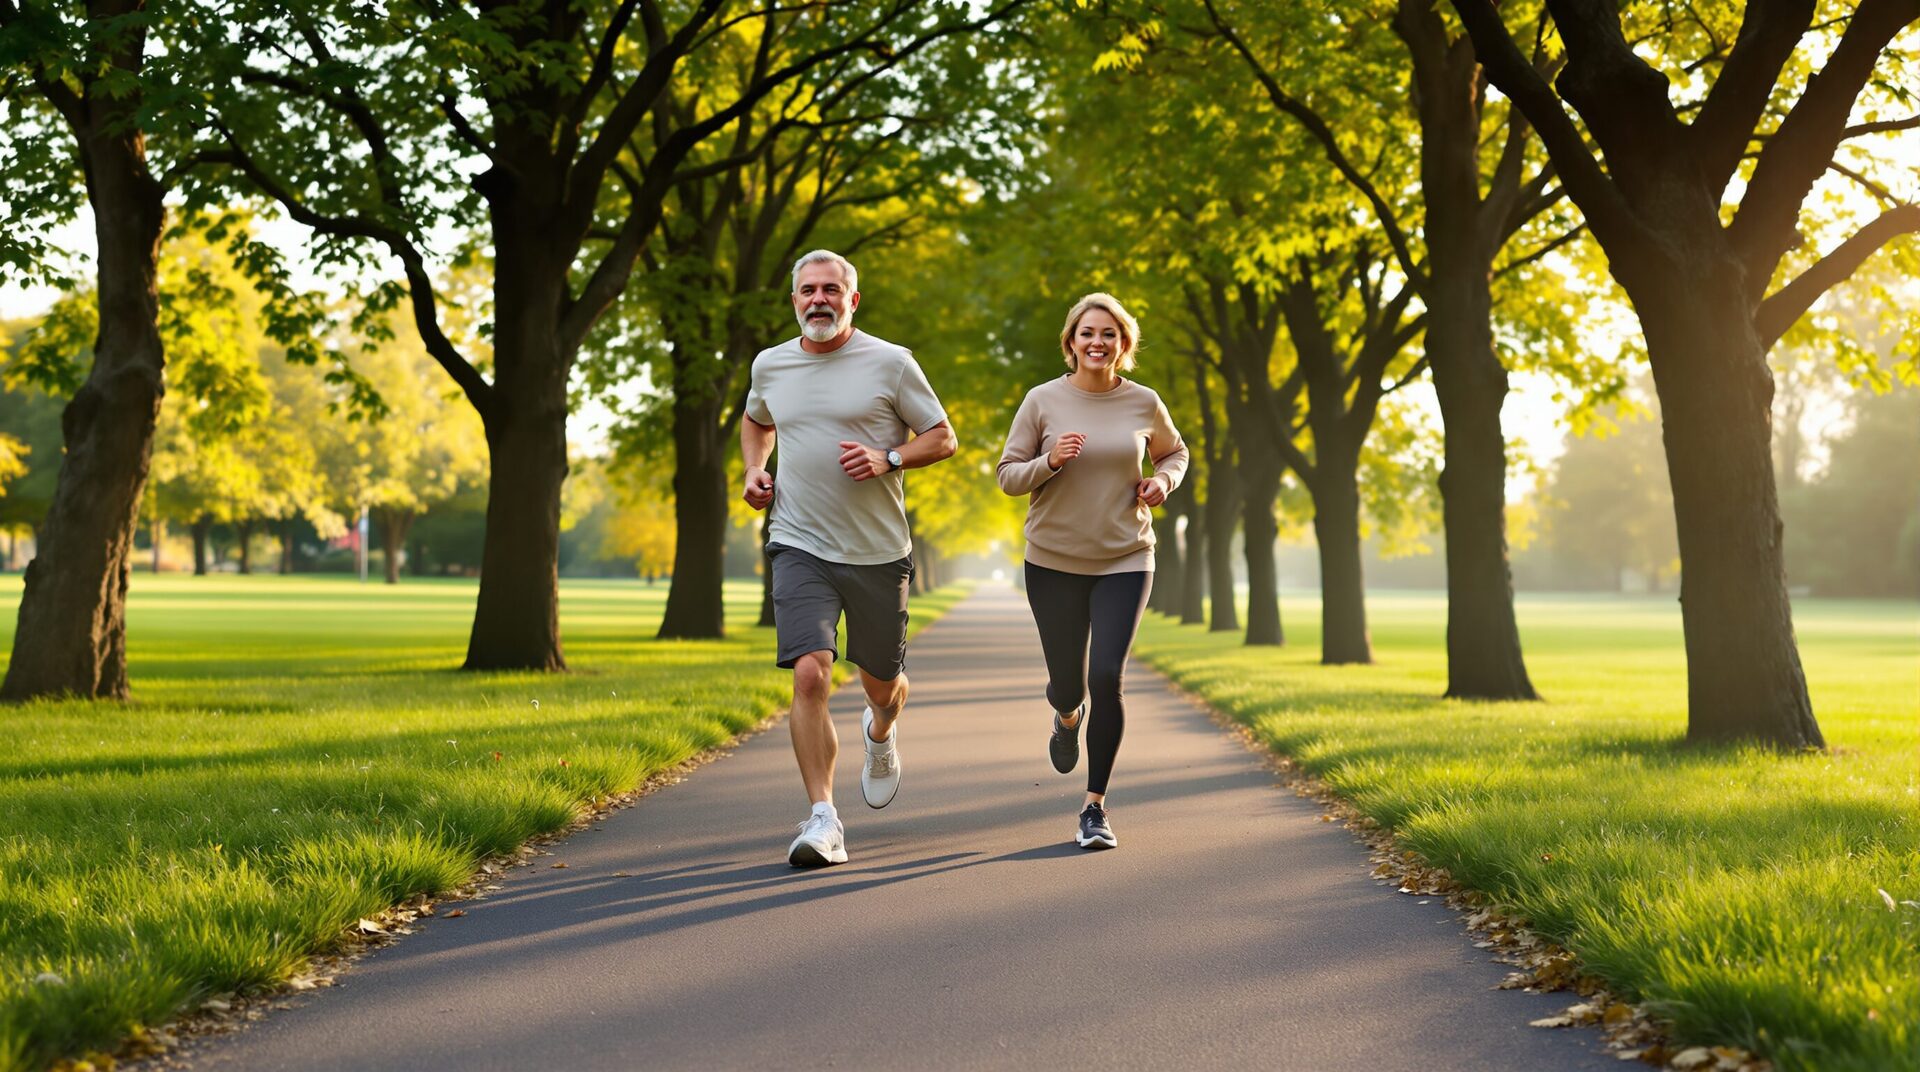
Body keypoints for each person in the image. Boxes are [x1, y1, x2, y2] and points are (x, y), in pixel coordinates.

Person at [742, 249, 958, 868]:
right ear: (794, 301)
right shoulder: (770, 364)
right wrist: (755, 469)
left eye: (831, 290)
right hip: (797, 540)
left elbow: (942, 436)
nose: (819, 300)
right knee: (809, 672)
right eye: (808, 290)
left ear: (852, 300)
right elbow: (756, 422)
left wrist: (889, 457)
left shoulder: (891, 363)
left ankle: (880, 731)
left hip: (877, 551)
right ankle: (823, 819)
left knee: (881, 685)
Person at [995, 293, 1188, 850]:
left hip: (1126, 556)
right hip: (1052, 560)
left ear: (1123, 344)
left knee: (1107, 676)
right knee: (1070, 683)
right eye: (1087, 333)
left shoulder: (1144, 402)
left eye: (1109, 334)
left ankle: (1094, 807)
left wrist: (1162, 482)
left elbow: (1176, 453)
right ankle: (1065, 714)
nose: (1097, 342)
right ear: (1071, 342)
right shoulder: (1041, 400)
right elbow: (1008, 477)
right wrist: (1050, 461)